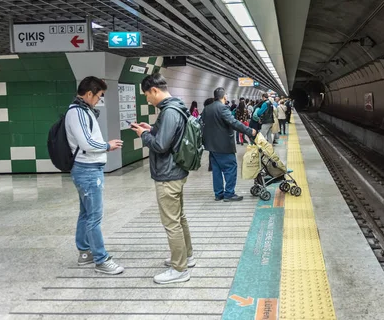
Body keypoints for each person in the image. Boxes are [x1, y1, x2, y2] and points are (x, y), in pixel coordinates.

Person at [131, 73, 194, 285]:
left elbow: (160, 146)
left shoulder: (169, 112)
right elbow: (168, 136)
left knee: (171, 223)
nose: (147, 100)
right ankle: (187, 257)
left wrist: (143, 135)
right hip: (178, 170)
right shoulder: (178, 106)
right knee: (180, 218)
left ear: (154, 90)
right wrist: (151, 129)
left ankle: (179, 269)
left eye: (147, 95)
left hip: (168, 174)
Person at [65, 76, 124, 275]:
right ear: (89, 93)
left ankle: (84, 252)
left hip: (86, 169)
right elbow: (87, 144)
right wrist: (108, 146)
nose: (99, 100)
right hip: (88, 170)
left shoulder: (81, 110)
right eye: (99, 96)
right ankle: (101, 259)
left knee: (86, 214)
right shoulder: (78, 112)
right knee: (94, 217)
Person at [202, 87, 257, 201]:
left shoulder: (207, 109)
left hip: (211, 145)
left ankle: (219, 194)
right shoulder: (222, 108)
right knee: (230, 168)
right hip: (223, 145)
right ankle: (229, 194)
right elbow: (233, 122)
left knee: (216, 170)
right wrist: (249, 130)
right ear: (224, 96)